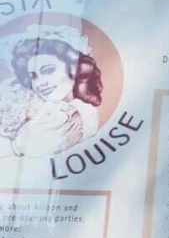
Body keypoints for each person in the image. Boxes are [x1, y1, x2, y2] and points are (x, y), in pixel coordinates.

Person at [0, 27, 103, 158]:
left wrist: (18, 146)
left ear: (73, 69)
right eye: (33, 76)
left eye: (48, 71)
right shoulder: (41, 109)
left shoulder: (81, 116)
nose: (41, 83)